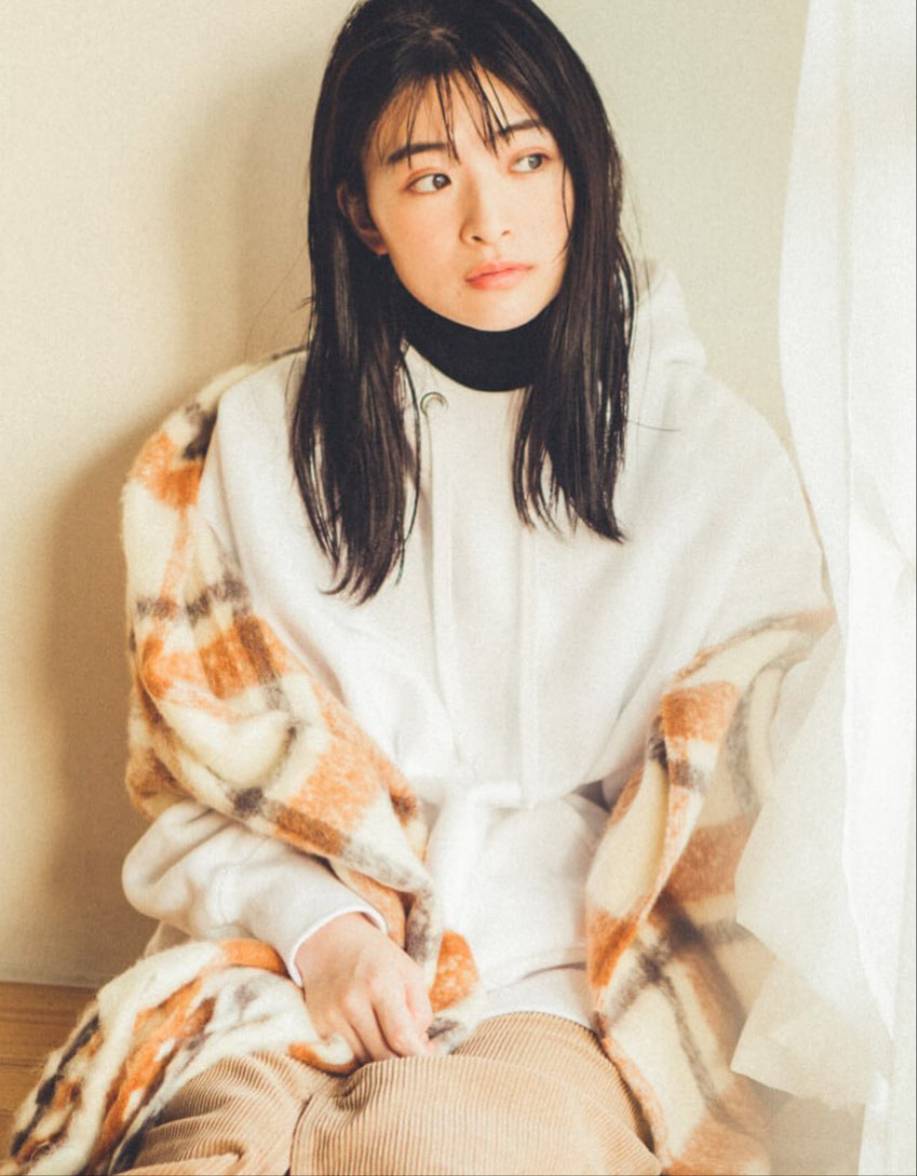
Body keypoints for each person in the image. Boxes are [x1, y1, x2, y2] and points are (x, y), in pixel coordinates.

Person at [115, 0, 827, 1172]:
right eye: (431, 178)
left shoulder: (712, 459)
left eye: (525, 159)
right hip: (286, 953)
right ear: (362, 212)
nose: (489, 220)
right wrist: (326, 931)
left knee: (439, 1147)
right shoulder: (244, 445)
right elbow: (194, 785)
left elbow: (758, 807)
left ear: (579, 172)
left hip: (558, 980)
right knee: (211, 1147)